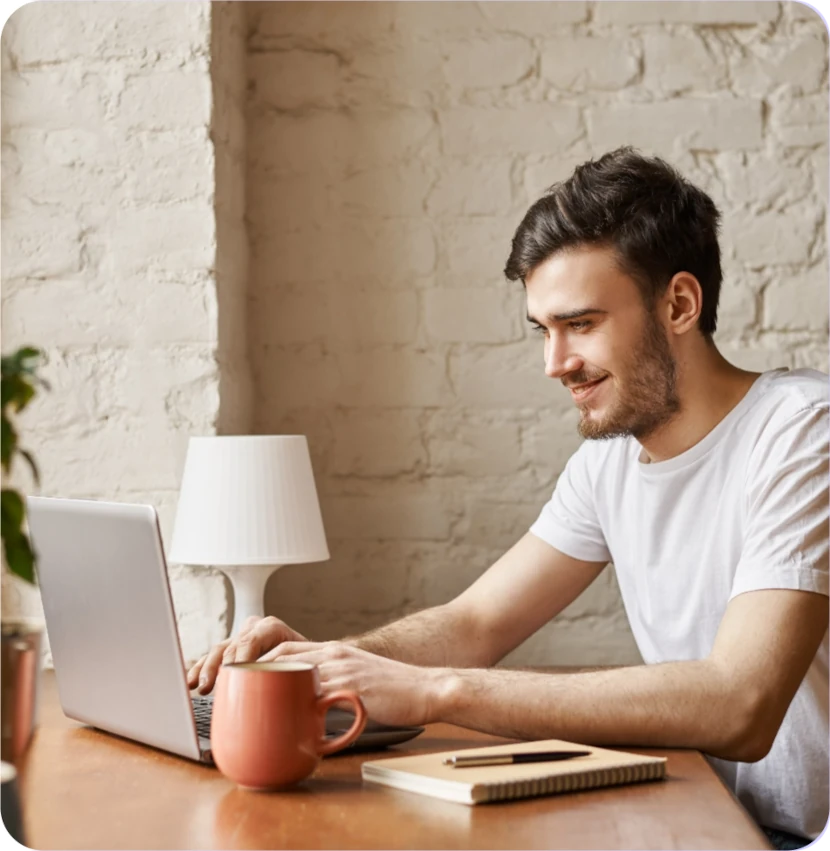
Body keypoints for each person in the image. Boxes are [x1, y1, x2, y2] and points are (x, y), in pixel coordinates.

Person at [188, 147, 828, 848]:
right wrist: (328, 662)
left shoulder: (802, 432)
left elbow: (740, 703)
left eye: (580, 324)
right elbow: (475, 623)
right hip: (713, 823)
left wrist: (440, 692)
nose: (555, 365)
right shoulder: (607, 464)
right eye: (543, 331)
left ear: (679, 303)